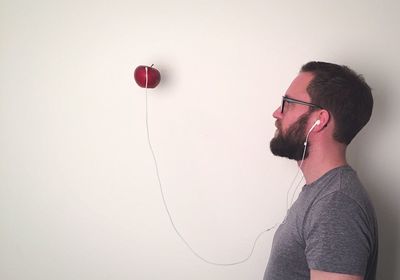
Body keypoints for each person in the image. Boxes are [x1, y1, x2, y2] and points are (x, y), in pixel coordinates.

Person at [264, 61, 378, 280]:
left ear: (319, 120)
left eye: (288, 103)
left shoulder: (336, 204)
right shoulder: (324, 192)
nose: (277, 113)